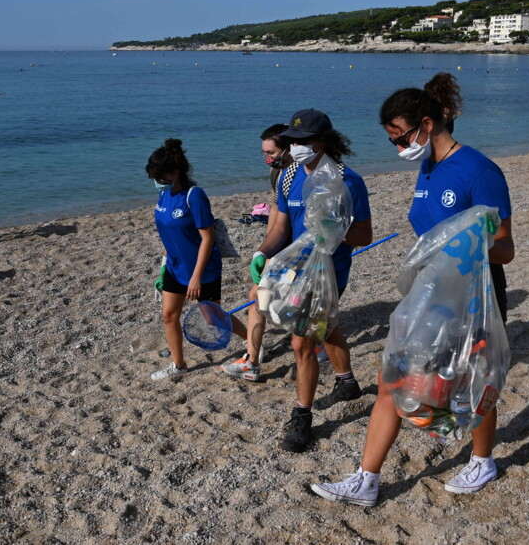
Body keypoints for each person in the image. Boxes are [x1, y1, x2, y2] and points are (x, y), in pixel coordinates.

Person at [311, 72, 514, 506]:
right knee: (392, 378)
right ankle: (366, 479)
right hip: (428, 292)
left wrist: (462, 245)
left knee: (474, 383)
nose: (399, 148)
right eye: (392, 142)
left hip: (474, 296)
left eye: (401, 137)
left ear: (426, 124)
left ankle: (483, 459)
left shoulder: (480, 171)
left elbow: (506, 250)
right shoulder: (428, 167)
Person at [250, 109, 373, 452]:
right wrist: (262, 253)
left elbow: (364, 234)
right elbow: (278, 228)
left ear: (323, 142)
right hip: (292, 269)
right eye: (293, 140)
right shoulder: (288, 177)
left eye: (304, 141)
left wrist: (332, 231)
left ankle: (302, 417)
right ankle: (346, 382)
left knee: (302, 341)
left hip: (329, 274)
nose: (297, 146)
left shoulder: (348, 181)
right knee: (325, 326)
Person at [147, 139, 244, 381]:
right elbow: (169, 231)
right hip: (174, 267)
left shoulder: (195, 196)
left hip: (203, 270)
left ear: (174, 172)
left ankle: (254, 343)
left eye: (158, 175)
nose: (155, 181)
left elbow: (207, 237)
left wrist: (196, 277)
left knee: (214, 317)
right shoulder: (165, 195)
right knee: (169, 315)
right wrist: (163, 264)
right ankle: (178, 364)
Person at [220, 124, 291, 381]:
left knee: (266, 298)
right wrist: (265, 248)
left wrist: (275, 251)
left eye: (271, 153)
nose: (267, 158)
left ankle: (253, 358)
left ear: (290, 148)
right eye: (264, 153)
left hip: (299, 251)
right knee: (257, 296)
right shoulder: (277, 173)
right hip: (280, 248)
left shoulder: (301, 176)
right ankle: (252, 359)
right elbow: (275, 212)